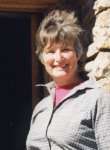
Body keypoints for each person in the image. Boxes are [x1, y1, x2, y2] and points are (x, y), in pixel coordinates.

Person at [26, 9, 110, 150]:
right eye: (51, 51)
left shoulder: (97, 100)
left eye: (65, 50)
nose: (58, 58)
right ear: (42, 58)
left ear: (77, 53)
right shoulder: (41, 107)